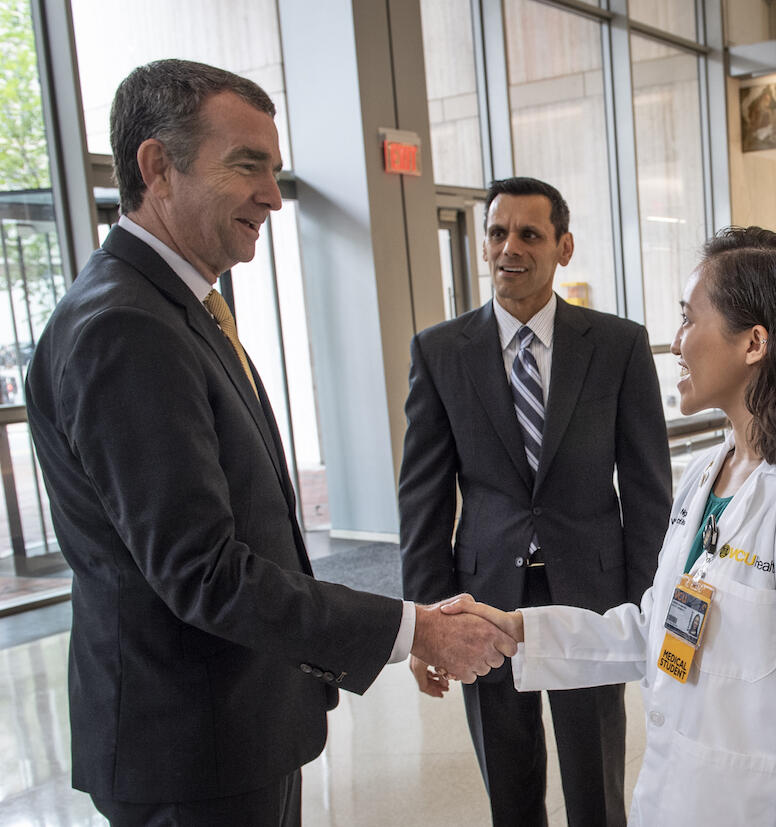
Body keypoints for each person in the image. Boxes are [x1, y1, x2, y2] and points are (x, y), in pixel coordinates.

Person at [24, 59, 515, 825]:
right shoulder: (125, 328)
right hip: (190, 749)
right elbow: (204, 570)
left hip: (232, 730)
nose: (273, 197)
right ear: (158, 166)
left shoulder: (179, 307)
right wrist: (410, 628)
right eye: (246, 165)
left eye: (276, 170)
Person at [445, 226, 776, 825]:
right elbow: (655, 630)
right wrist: (518, 631)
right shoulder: (709, 474)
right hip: (671, 799)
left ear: (754, 342)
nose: (676, 342)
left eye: (688, 318)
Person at [398, 176, 672, 825]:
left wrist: (651, 607)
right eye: (497, 232)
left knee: (595, 783)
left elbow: (646, 489)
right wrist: (425, 624)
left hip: (592, 594)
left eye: (529, 233)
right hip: (483, 594)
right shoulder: (440, 352)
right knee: (509, 783)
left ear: (563, 246)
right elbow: (423, 497)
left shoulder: (617, 345)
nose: (508, 247)